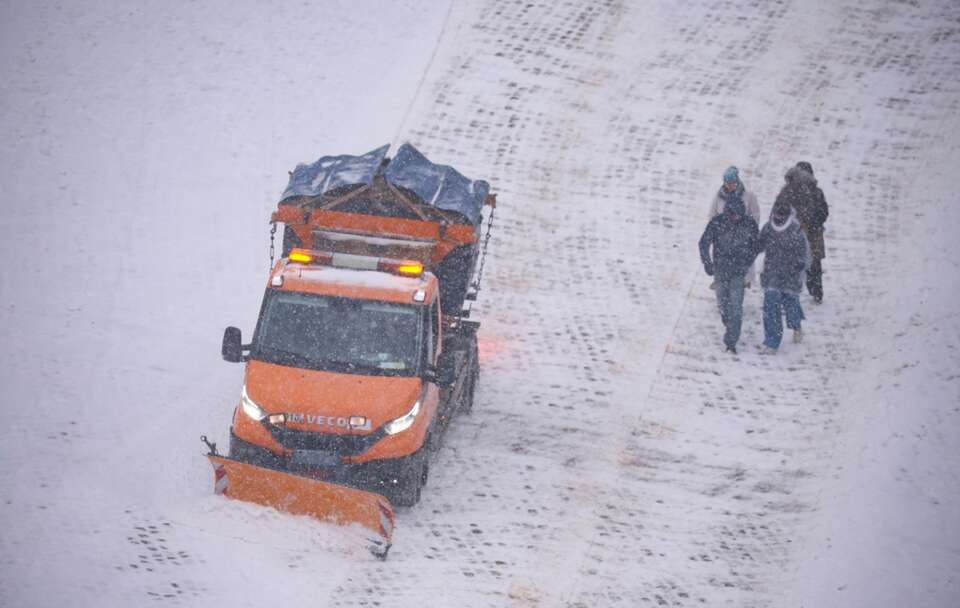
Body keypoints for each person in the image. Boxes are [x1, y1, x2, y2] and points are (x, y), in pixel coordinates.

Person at [698, 193, 759, 354]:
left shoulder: (749, 224)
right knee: (723, 305)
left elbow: (756, 245)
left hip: (738, 272)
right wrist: (707, 263)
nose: (734, 218)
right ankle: (728, 323)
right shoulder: (716, 223)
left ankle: (731, 341)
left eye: (737, 215)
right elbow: (704, 243)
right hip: (720, 270)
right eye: (732, 215)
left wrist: (746, 261)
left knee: (737, 308)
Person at [756, 200, 811, 353]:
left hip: (790, 278)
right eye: (775, 214)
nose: (777, 217)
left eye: (781, 215)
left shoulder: (796, 230)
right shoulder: (768, 228)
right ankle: (772, 342)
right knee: (770, 308)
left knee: (791, 306)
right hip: (771, 275)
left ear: (787, 216)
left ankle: (796, 325)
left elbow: (805, 253)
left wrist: (800, 265)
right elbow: (759, 245)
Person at [777, 162, 829, 302]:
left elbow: (823, 213)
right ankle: (810, 291)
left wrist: (810, 223)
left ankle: (813, 291)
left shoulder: (815, 193)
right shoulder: (791, 192)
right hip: (798, 232)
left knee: (811, 264)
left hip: (811, 233)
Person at [708, 166, 761, 288]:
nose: (729, 185)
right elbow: (712, 214)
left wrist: (749, 229)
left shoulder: (749, 195)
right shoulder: (718, 196)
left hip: (742, 233)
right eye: (727, 183)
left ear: (737, 181)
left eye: (732, 182)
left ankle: (745, 280)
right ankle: (720, 279)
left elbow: (756, 214)